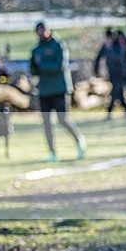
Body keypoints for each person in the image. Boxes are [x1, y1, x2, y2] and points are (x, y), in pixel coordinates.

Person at [30, 21, 86, 162]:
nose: (41, 34)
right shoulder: (36, 49)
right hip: (44, 90)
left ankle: (79, 140)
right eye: (39, 32)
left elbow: (59, 65)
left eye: (43, 31)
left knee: (63, 119)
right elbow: (33, 69)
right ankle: (52, 153)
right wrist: (35, 65)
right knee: (47, 124)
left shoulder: (58, 45)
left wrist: (42, 64)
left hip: (59, 89)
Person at [94, 29, 126, 118]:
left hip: (120, 73)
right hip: (112, 73)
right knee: (118, 93)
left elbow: (119, 58)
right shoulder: (106, 46)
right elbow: (98, 58)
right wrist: (96, 70)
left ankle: (110, 113)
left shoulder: (118, 45)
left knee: (115, 92)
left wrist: (110, 49)